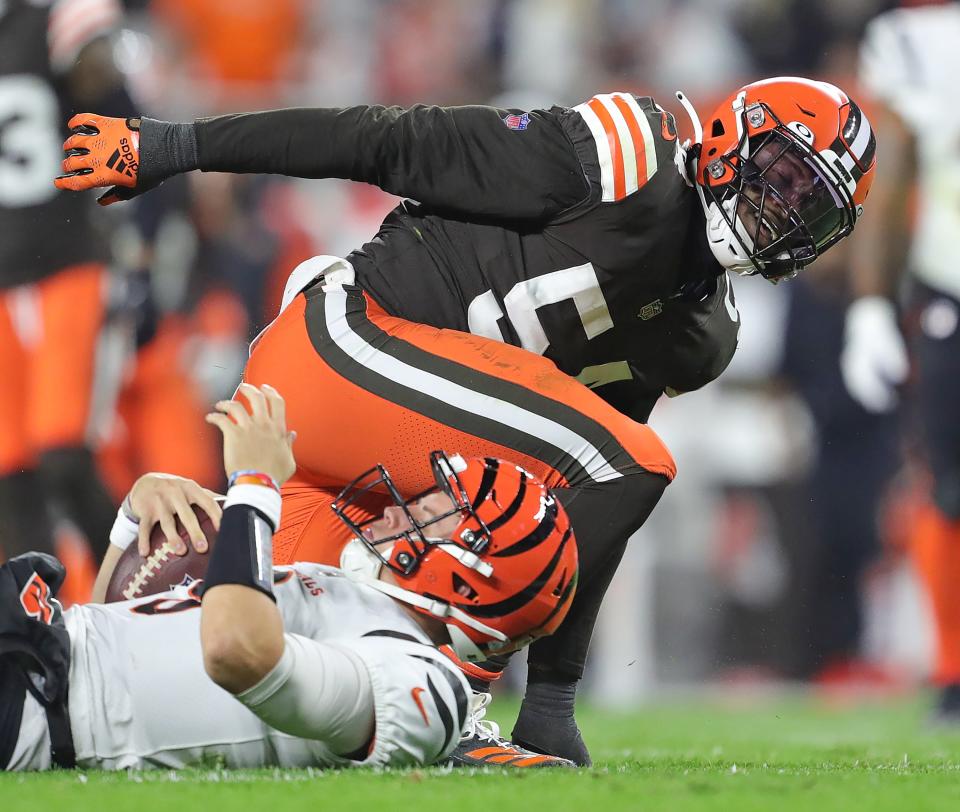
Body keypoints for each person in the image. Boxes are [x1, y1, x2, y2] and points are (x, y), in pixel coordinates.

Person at [54, 75, 876, 764]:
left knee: (245, 681)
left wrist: (555, 696)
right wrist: (174, 147)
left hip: (376, 468)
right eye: (782, 175)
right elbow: (387, 141)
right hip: (344, 349)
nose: (786, 212)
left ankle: (63, 660)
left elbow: (591, 512)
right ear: (734, 135)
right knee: (633, 460)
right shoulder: (624, 155)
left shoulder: (705, 334)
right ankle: (464, 703)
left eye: (815, 211)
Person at [1, 384, 577, 771]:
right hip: (39, 644)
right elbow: (110, 638)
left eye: (428, 516)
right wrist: (132, 523)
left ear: (468, 580)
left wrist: (255, 483)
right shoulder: (354, 597)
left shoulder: (426, 685)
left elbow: (235, 655)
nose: (397, 511)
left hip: (26, 697)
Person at [842, 1, 960, 720]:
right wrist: (871, 304)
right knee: (949, 486)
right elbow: (896, 173)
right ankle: (953, 668)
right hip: (953, 284)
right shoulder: (922, 38)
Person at [0, 0, 137, 574]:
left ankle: (135, 587)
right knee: (9, 469)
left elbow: (118, 107)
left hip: (65, 258)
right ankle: (44, 620)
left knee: (61, 451)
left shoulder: (52, 17)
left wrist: (89, 53)